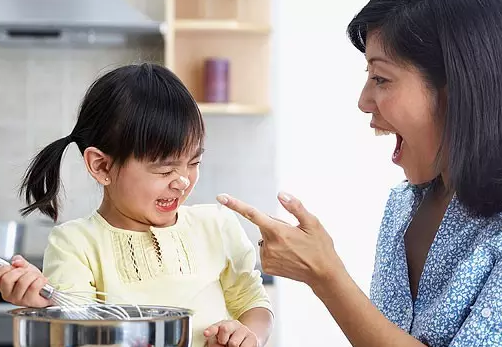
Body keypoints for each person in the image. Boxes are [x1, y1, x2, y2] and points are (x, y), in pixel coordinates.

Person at [216, 0, 502, 346]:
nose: (364, 101)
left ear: (456, 88)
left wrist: (325, 274)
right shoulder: (403, 206)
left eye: (381, 78)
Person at [0, 63, 273, 347]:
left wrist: (247, 336)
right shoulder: (75, 245)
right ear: (102, 165)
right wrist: (45, 302)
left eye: (194, 163)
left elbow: (254, 302)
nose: (182, 181)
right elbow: (77, 328)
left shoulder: (217, 226)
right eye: (164, 170)